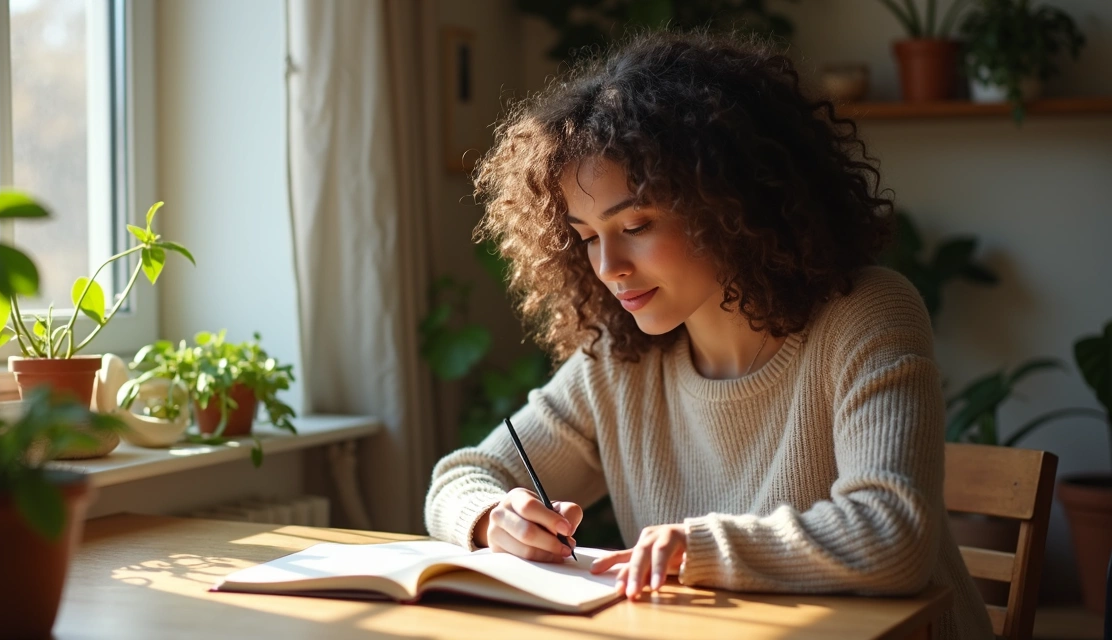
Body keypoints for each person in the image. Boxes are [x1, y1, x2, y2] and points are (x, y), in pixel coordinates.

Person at [423, 30, 992, 639]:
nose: (608, 266)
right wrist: (493, 516)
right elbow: (462, 475)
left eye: (636, 223)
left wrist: (695, 549)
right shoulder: (620, 360)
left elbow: (894, 535)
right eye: (587, 235)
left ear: (731, 203)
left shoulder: (866, 313)